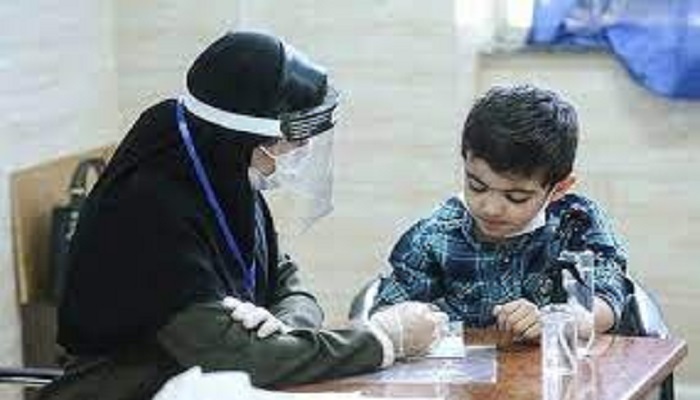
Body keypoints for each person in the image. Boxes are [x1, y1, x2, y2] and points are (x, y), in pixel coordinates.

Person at [39, 31, 446, 400]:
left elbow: (290, 282)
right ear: (242, 136)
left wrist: (281, 325)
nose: (300, 151)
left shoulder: (222, 176)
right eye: (290, 140)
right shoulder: (147, 212)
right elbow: (235, 358)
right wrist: (382, 340)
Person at [369, 84, 629, 343]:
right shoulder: (435, 236)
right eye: (477, 186)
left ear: (558, 189)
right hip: (465, 368)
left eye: (516, 197)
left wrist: (556, 320)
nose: (490, 208)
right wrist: (406, 320)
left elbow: (608, 298)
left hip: (558, 366)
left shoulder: (576, 221)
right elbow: (386, 314)